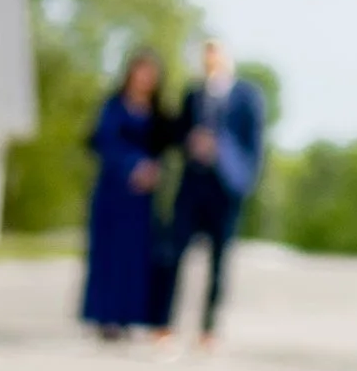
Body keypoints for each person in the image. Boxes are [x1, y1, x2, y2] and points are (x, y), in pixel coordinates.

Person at [162, 38, 266, 343]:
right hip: (193, 183)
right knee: (173, 252)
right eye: (206, 57)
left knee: (219, 260)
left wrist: (228, 159)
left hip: (226, 186)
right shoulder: (193, 94)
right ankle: (165, 323)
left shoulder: (247, 96)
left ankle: (208, 330)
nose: (210, 62)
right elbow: (178, 133)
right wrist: (190, 142)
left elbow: (254, 143)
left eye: (215, 56)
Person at [82, 49, 172, 340]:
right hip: (114, 190)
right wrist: (132, 166)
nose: (145, 78)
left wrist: (154, 170)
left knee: (137, 256)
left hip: (143, 199)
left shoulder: (157, 112)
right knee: (109, 254)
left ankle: (130, 316)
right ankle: (106, 317)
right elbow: (103, 142)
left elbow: (165, 145)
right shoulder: (113, 106)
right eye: (140, 71)